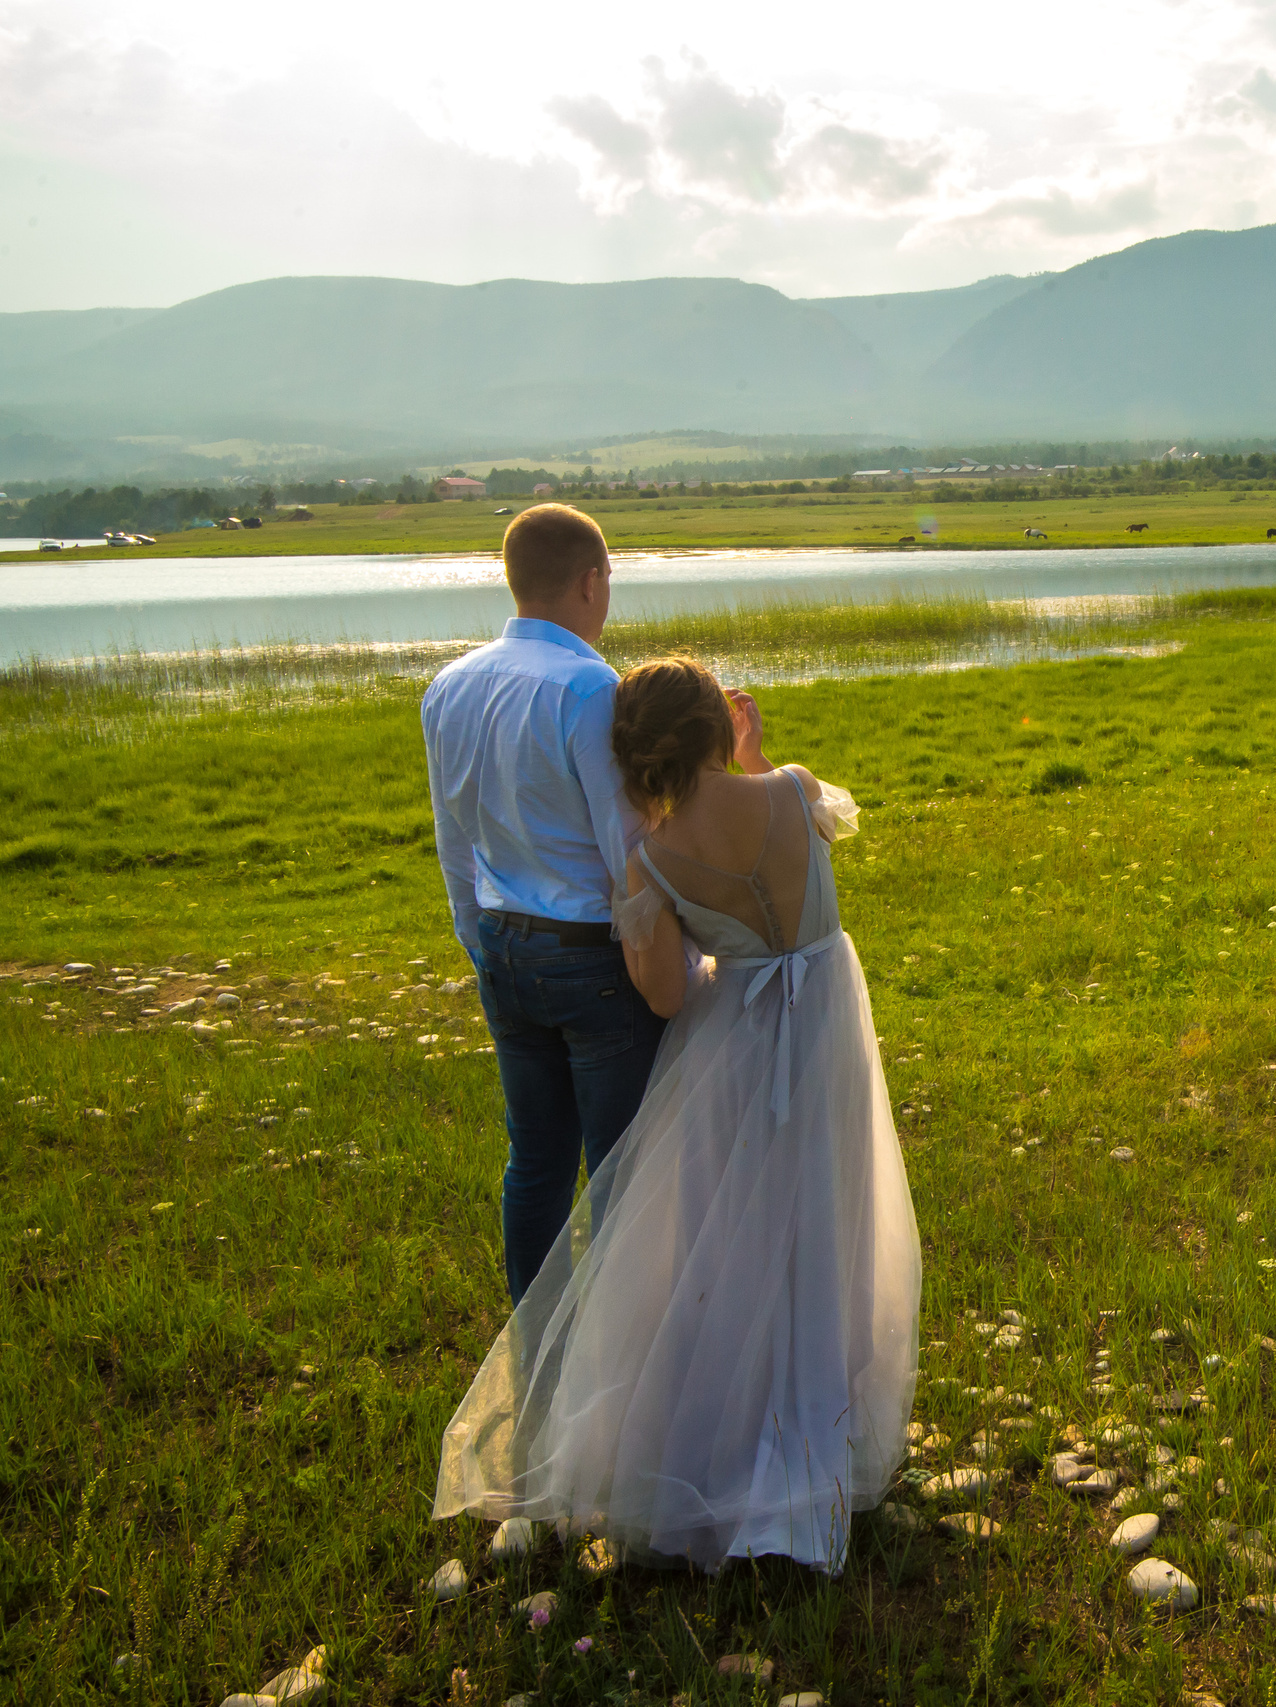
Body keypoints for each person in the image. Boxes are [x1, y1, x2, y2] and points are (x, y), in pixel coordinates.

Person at [432, 657, 919, 1574]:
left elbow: (661, 997)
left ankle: (725, 1427)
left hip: (733, 1040)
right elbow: (792, 842)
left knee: (730, 1226)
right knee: (824, 1208)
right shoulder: (792, 789)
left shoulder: (650, 863)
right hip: (824, 1023)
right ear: (717, 729)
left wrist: (687, 950)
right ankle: (823, 1415)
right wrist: (756, 757)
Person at [423, 504, 678, 1306]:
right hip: (591, 955)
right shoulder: (588, 686)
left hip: (502, 940)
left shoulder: (449, 684)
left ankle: (532, 1340)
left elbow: (452, 836)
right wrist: (668, 962)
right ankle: (616, 1350)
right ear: (590, 581)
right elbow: (626, 847)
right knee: (618, 1165)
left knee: (533, 1157)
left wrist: (478, 939)